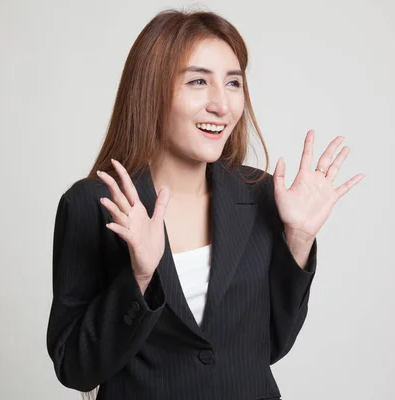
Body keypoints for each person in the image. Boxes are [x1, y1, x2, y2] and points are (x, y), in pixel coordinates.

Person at [46, 8, 364, 400]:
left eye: (233, 83)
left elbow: (271, 347)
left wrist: (297, 240)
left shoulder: (261, 195)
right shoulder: (92, 203)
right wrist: (140, 277)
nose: (223, 105)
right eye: (198, 81)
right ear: (151, 90)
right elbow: (74, 368)